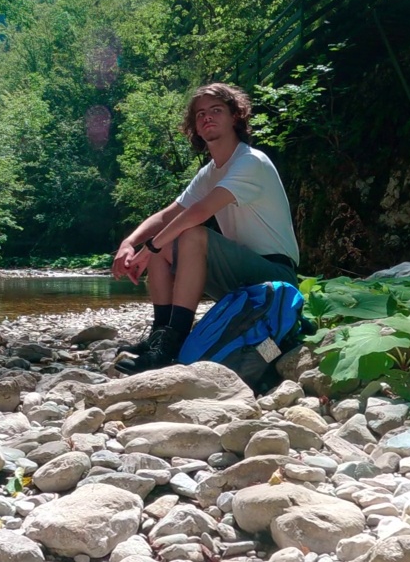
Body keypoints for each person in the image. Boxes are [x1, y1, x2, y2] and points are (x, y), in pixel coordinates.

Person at [111, 83, 300, 374]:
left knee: (188, 234)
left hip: (276, 278)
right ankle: (160, 337)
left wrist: (151, 248)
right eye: (200, 114)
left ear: (235, 117)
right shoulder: (210, 172)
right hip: (240, 278)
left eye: (216, 110)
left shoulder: (250, 162)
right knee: (169, 237)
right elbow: (169, 214)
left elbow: (199, 213)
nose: (206, 118)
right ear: (195, 128)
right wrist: (130, 242)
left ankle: (172, 343)